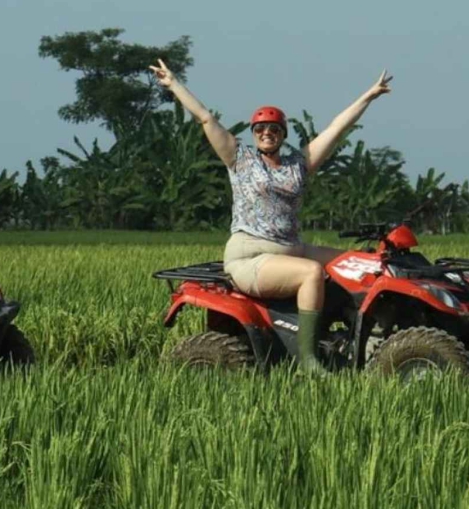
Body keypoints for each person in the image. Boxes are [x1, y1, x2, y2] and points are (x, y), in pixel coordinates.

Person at [149, 59, 393, 372]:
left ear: (282, 134)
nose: (267, 133)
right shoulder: (240, 159)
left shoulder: (298, 165)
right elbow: (205, 118)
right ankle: (308, 360)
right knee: (311, 274)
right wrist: (173, 83)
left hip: (291, 248)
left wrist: (369, 95)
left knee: (359, 263)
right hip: (250, 255)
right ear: (254, 134)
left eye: (274, 129)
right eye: (261, 129)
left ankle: (357, 334)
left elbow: (336, 129)